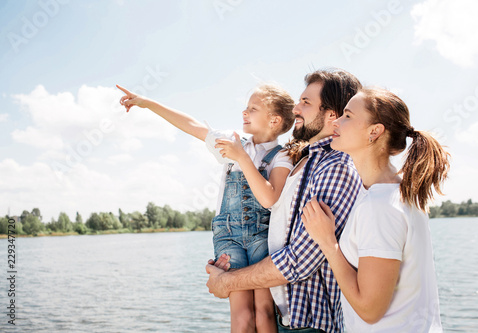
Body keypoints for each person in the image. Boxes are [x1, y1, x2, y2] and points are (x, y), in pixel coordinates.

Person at [116, 83, 295, 333]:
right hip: (229, 235)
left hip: (261, 237)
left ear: (274, 120)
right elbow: (194, 127)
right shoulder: (234, 141)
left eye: (253, 109)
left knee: (264, 313)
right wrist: (147, 103)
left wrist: (241, 157)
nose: (244, 112)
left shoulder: (282, 156)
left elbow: (269, 199)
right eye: (245, 107)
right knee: (242, 315)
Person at [206, 69, 363, 333]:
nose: (296, 108)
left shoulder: (335, 167)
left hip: (311, 328)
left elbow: (299, 260)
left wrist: (229, 281)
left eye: (306, 102)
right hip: (287, 322)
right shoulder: (305, 162)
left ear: (331, 115)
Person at [301, 88, 450, 332]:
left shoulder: (380, 207)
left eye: (347, 116)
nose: (336, 121)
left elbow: (369, 310)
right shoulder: (398, 194)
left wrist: (328, 243)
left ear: (374, 132)